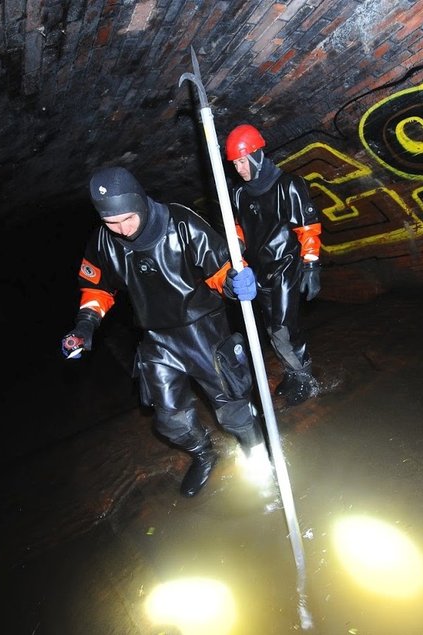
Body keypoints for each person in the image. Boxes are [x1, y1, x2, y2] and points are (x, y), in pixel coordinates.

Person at [61, 166, 265, 498]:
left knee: (233, 406)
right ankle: (203, 452)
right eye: (112, 223)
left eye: (127, 218)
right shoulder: (103, 241)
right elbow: (96, 289)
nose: (122, 230)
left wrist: (233, 282)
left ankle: (256, 454)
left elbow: (220, 268)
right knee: (169, 418)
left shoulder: (181, 223)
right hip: (156, 339)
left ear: (140, 202)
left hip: (202, 329)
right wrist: (85, 326)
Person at [225, 123, 322, 406]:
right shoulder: (240, 194)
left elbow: (308, 227)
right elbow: (240, 231)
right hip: (259, 272)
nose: (239, 169)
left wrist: (312, 265)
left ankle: (305, 378)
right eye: (235, 164)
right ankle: (293, 372)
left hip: (286, 267)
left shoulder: (287, 185)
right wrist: (238, 257)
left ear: (256, 156)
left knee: (283, 328)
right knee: (271, 329)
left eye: (243, 161)